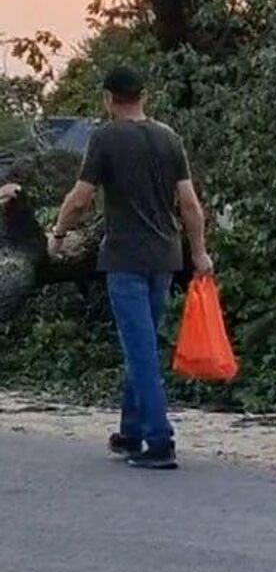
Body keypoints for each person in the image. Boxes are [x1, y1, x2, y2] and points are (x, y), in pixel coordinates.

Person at [48, 67, 213, 470]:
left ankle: (160, 441)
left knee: (140, 352)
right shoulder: (168, 137)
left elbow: (81, 198)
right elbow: (189, 204)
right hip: (166, 257)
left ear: (108, 98)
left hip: (125, 258)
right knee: (141, 345)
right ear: (144, 96)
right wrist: (200, 253)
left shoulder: (105, 138)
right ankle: (131, 431)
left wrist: (57, 232)